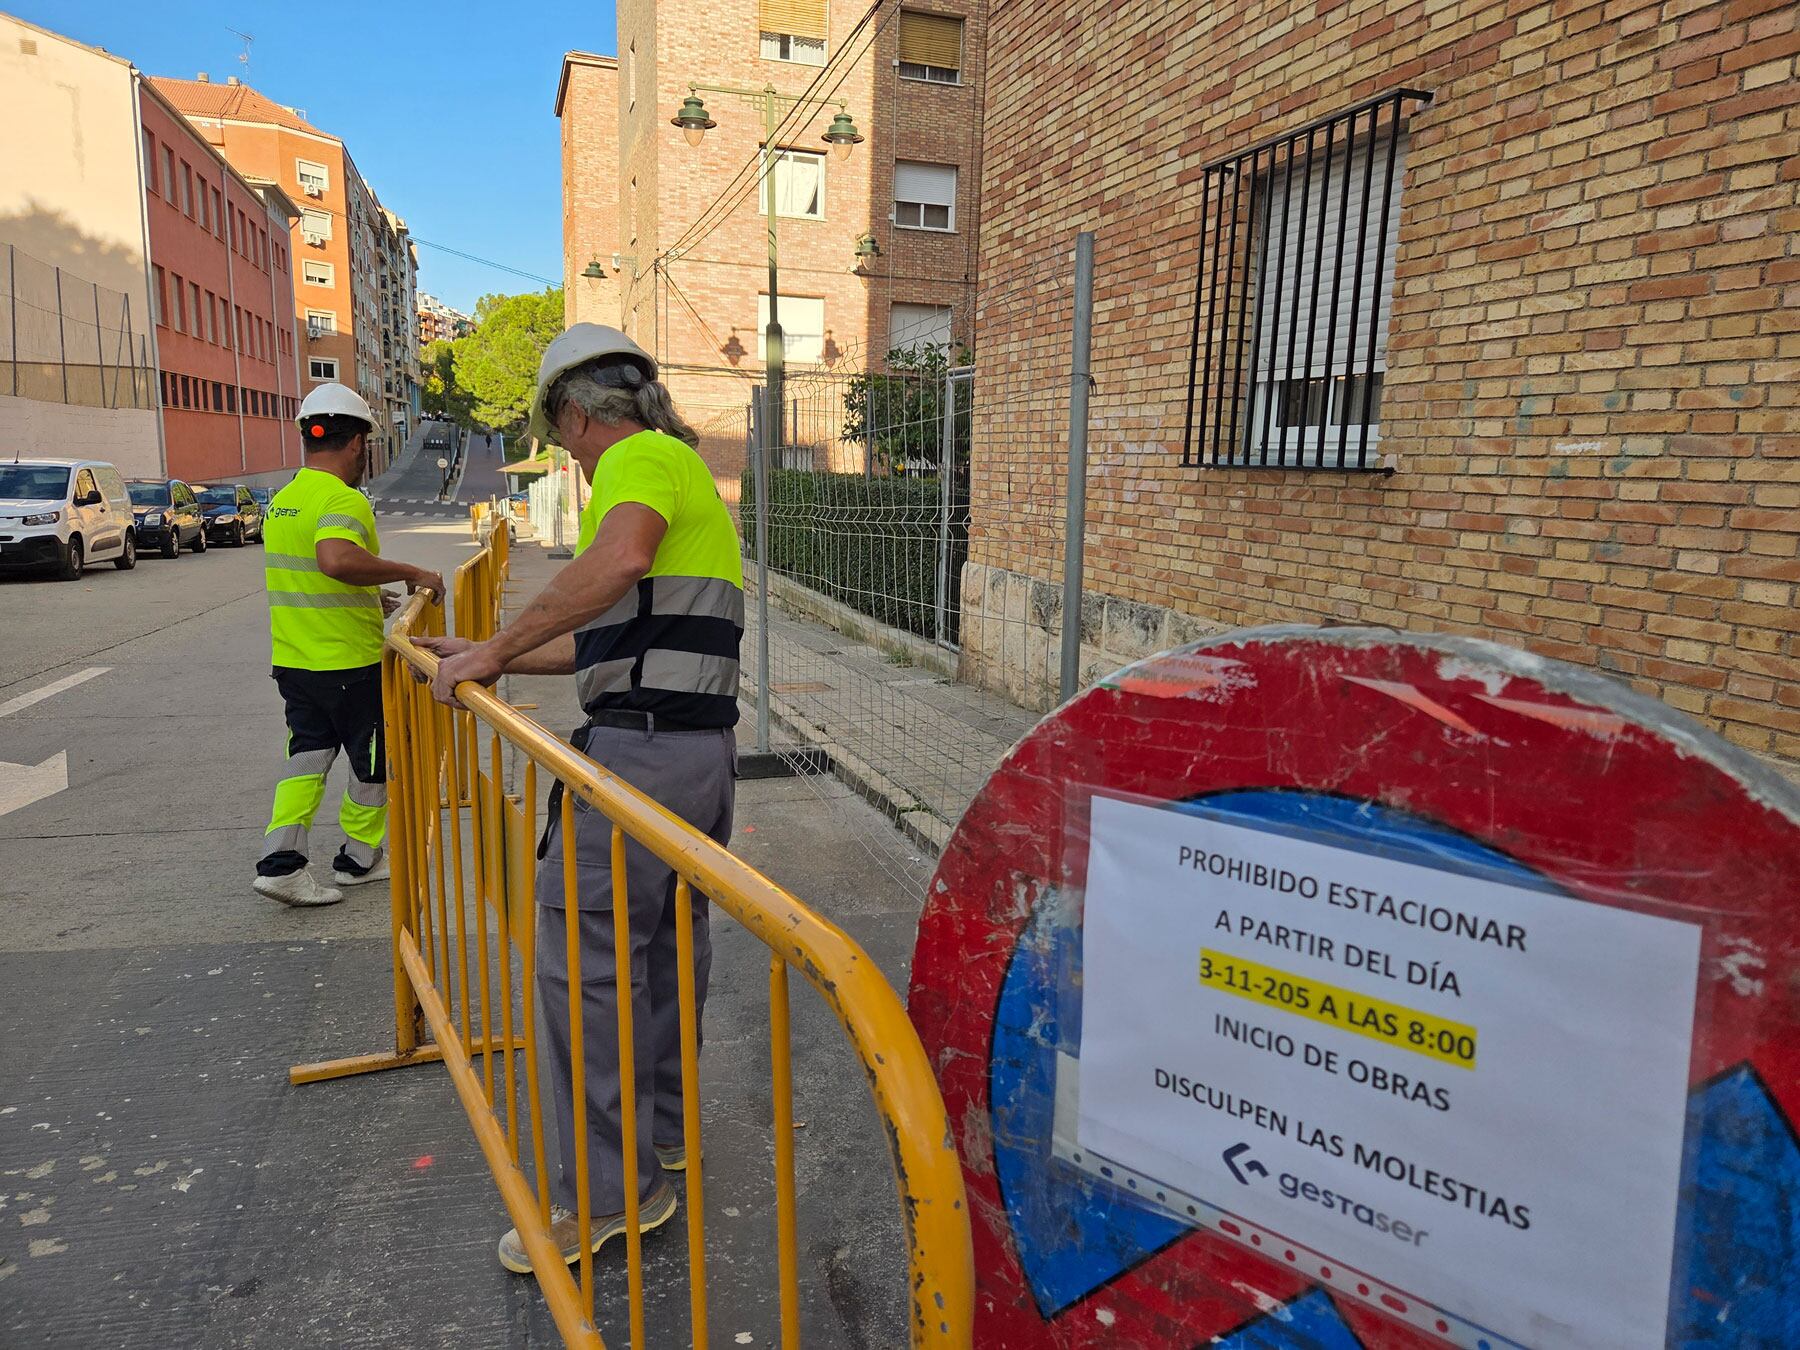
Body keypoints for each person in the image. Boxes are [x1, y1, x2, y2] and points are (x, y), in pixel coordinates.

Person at [416, 325, 742, 1274]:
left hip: (640, 762)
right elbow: (610, 639)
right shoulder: (687, 474)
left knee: (588, 977)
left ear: (577, 411)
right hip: (699, 756)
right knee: (672, 957)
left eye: (565, 441)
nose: (572, 460)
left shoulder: (640, 459)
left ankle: (608, 1201)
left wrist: (494, 644)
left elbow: (618, 562)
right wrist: (494, 657)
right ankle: (667, 1141)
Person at [255, 383, 445, 908]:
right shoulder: (343, 499)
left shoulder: (285, 500)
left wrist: (371, 597)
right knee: (374, 762)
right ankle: (358, 860)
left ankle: (281, 864)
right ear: (358, 443)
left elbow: (315, 576)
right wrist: (413, 572)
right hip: (348, 664)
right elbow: (336, 560)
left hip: (296, 661)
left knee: (306, 759)